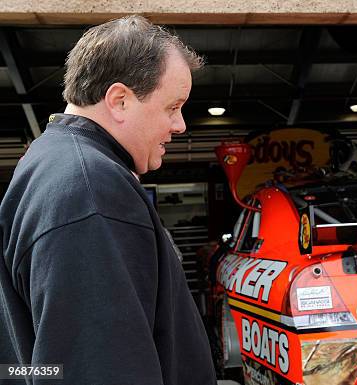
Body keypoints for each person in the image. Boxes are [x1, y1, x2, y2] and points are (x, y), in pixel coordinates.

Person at [0, 16, 216, 384]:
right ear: (119, 100)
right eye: (172, 106)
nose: (179, 125)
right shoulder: (91, 190)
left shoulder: (50, 164)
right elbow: (100, 368)